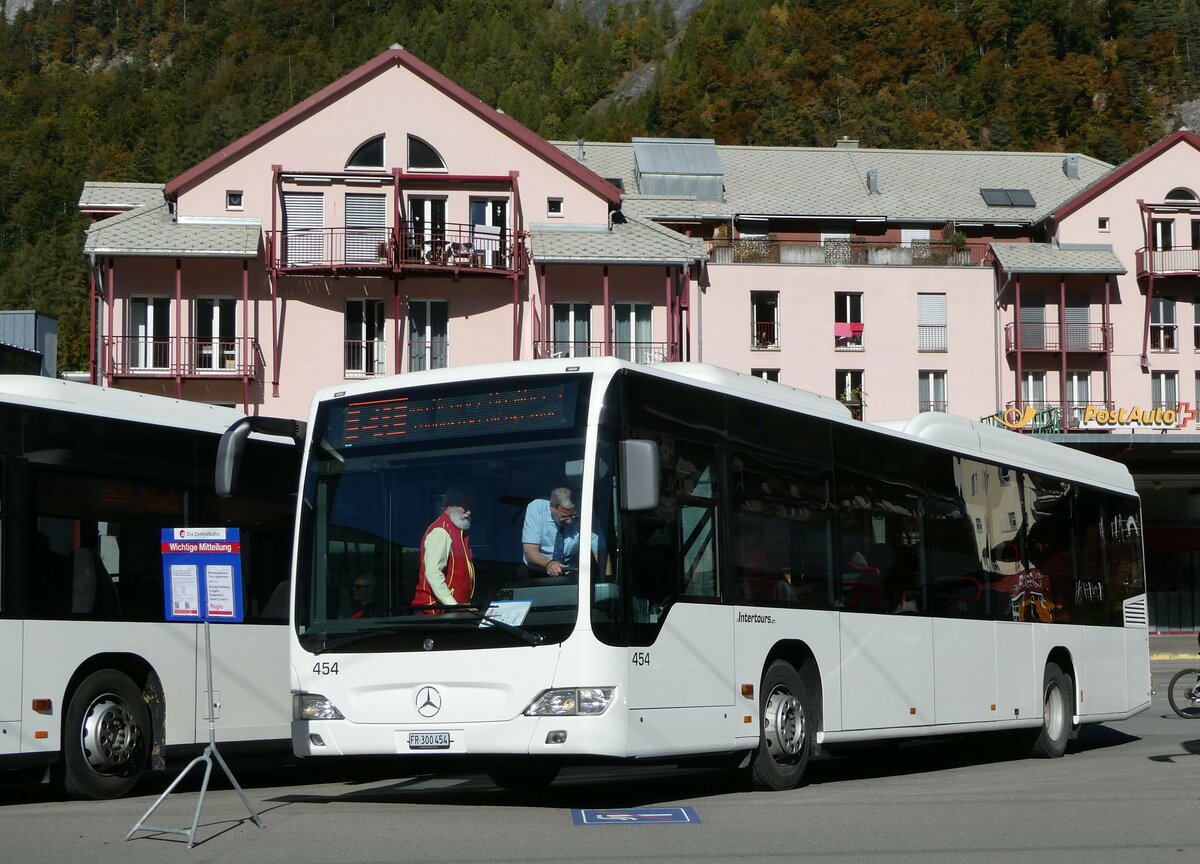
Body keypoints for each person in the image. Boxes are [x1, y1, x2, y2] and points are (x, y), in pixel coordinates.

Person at [412, 488, 475, 610]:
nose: (469, 512)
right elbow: (433, 573)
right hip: (435, 614)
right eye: (465, 507)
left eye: (470, 507)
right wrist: (454, 606)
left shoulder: (459, 533)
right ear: (449, 506)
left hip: (453, 612)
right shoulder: (441, 531)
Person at [522, 487, 598, 577]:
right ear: (552, 507)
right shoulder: (537, 508)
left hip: (570, 572)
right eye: (564, 517)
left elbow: (600, 551)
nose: (569, 521)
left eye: (573, 516)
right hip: (538, 571)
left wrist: (605, 583)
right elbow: (530, 552)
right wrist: (549, 564)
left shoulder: (584, 510)